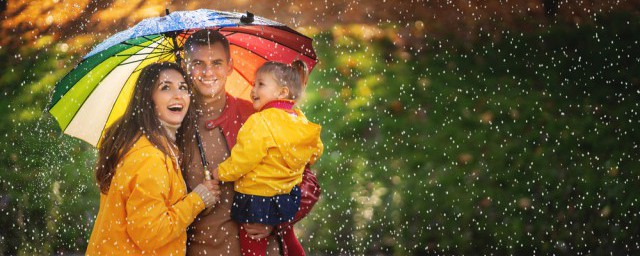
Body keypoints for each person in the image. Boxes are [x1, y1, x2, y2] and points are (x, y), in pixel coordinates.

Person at [181, 29, 321, 256]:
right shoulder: (175, 124)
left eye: (217, 62)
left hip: (264, 249)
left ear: (230, 66)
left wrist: (274, 220)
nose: (208, 72)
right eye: (198, 63)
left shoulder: (260, 115)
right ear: (186, 66)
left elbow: (308, 182)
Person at [86, 62, 221, 255]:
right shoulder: (149, 158)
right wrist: (197, 200)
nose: (178, 95)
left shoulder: (152, 146)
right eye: (165, 87)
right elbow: (151, 233)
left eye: (183, 87)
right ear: (149, 99)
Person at [211, 60, 323, 256]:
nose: (253, 90)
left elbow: (244, 158)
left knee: (252, 244)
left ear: (282, 92)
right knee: (289, 239)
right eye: (254, 84)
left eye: (260, 84)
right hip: (288, 194)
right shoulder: (299, 119)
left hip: (257, 197)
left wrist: (221, 173)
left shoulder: (260, 121)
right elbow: (315, 150)